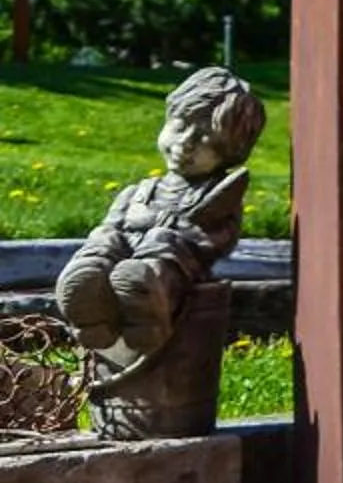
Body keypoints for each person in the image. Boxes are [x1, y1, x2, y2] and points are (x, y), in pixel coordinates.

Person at [58, 68, 265, 357]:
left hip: (171, 272)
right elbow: (113, 223)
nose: (186, 143)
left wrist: (177, 229)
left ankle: (145, 308)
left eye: (205, 139)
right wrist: (108, 237)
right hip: (124, 256)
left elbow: (220, 238)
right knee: (105, 238)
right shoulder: (140, 191)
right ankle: (88, 291)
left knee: (162, 243)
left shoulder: (216, 196)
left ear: (231, 151)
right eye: (180, 126)